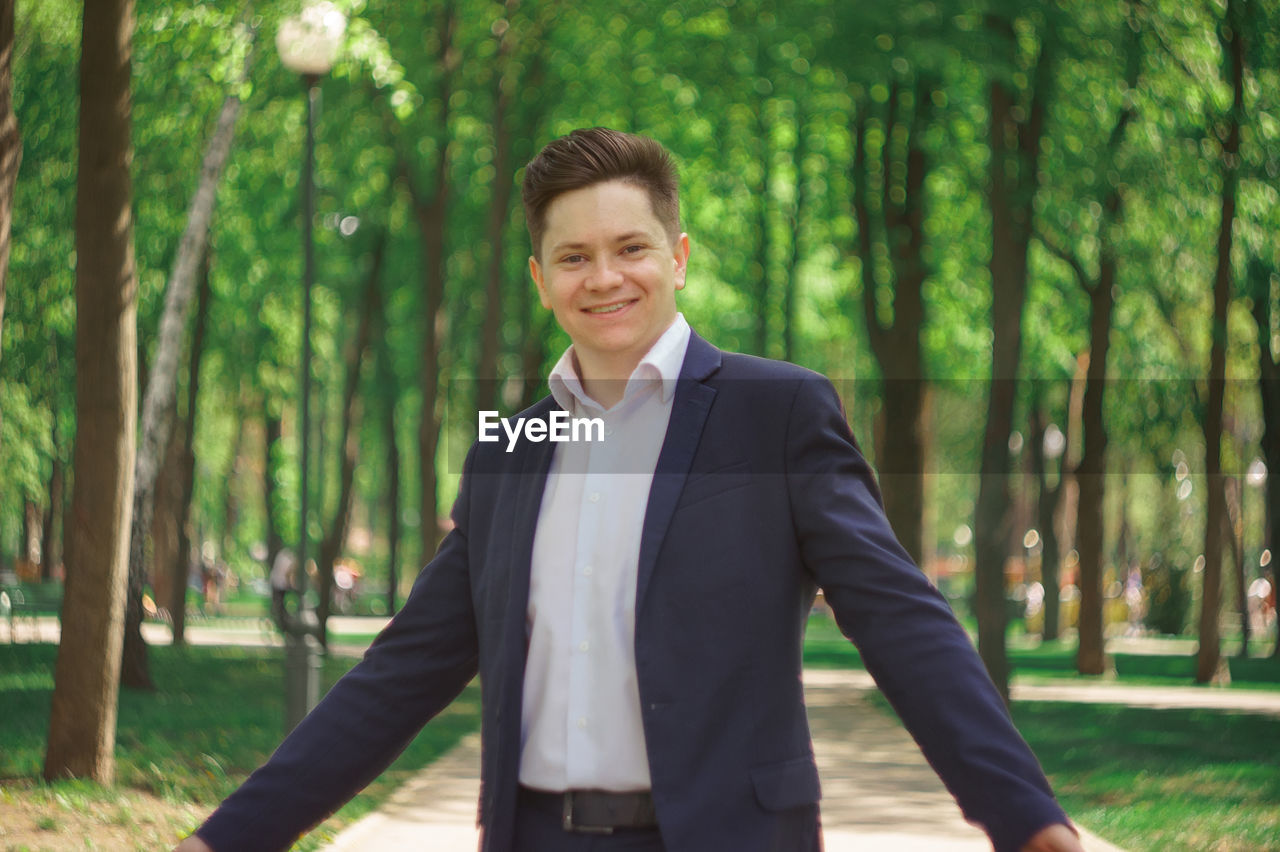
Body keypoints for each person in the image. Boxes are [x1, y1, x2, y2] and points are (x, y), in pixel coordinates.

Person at [176, 128, 1084, 852]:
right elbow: (401, 673)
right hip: (533, 834)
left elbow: (899, 618)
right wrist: (230, 838)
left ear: (678, 256)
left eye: (630, 248)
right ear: (541, 281)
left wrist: (1023, 815)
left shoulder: (778, 413)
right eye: (573, 257)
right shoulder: (510, 446)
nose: (604, 278)